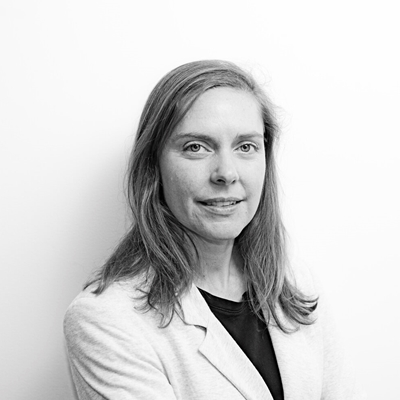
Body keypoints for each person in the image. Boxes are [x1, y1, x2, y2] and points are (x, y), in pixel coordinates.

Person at [64, 60, 360, 400]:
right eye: (196, 147)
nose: (226, 173)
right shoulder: (106, 320)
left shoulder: (296, 285)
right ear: (153, 167)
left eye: (245, 146)